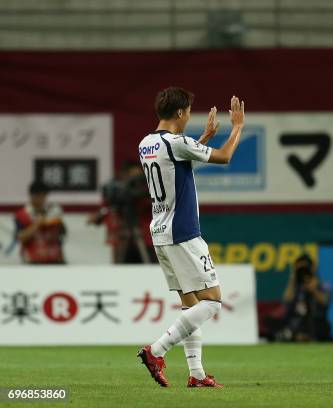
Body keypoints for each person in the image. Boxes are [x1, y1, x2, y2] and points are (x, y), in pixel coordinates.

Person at [136, 87, 245, 388]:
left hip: (160, 232)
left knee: (190, 304)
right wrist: (237, 127)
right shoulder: (176, 142)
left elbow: (176, 163)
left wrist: (204, 139)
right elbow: (224, 157)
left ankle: (196, 374)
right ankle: (156, 351)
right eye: (189, 113)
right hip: (183, 232)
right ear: (181, 113)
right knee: (212, 302)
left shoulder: (146, 143)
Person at [88, 161, 155, 263]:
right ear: (124, 176)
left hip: (147, 240)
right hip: (122, 239)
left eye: (138, 179)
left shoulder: (149, 191)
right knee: (121, 273)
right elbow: (103, 212)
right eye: (132, 180)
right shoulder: (119, 194)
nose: (135, 185)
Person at [274, 254, 331, 342]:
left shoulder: (322, 285)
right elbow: (286, 301)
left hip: (317, 324)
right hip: (296, 325)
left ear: (312, 268)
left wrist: (314, 289)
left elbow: (325, 301)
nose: (303, 271)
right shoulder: (295, 287)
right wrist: (293, 278)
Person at [14, 181, 66, 264]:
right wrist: (36, 224)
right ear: (31, 196)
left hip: (55, 259)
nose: (42, 199)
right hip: (32, 261)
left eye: (44, 196)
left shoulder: (53, 210)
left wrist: (59, 222)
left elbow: (63, 233)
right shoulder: (22, 214)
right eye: (39, 196)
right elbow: (20, 237)